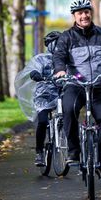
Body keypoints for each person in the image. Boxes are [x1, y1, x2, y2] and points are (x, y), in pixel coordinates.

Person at [53, 0, 101, 178]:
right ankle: (74, 152)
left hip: (99, 87)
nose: (84, 16)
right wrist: (60, 70)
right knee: (68, 110)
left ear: (91, 13)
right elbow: (59, 57)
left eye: (86, 12)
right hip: (75, 85)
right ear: (74, 16)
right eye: (80, 13)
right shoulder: (66, 37)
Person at [27, 31, 63, 167]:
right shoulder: (41, 59)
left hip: (61, 93)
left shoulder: (67, 59)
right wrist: (35, 74)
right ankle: (39, 151)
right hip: (44, 96)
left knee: (69, 116)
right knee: (42, 121)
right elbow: (34, 69)